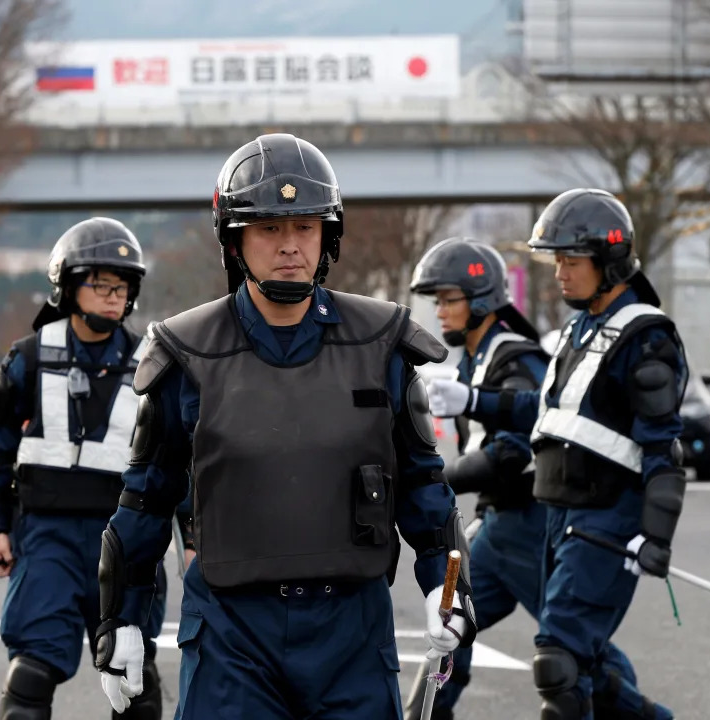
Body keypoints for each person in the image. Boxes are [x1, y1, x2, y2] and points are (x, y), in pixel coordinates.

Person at [94, 133, 477, 719]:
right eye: (269, 228)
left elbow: (423, 486)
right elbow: (145, 503)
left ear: (328, 235)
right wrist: (121, 620)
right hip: (230, 635)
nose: (290, 245)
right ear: (235, 239)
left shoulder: (381, 345)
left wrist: (444, 589)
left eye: (304, 226)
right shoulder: (187, 354)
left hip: (352, 629)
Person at [427, 189, 684, 720]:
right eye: (557, 261)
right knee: (572, 662)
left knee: (560, 663)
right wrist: (472, 399)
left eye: (572, 261)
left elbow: (663, 447)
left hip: (605, 520)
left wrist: (656, 533)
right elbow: (542, 413)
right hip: (557, 518)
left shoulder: (646, 337)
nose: (560, 273)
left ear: (609, 261)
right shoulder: (579, 330)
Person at [0, 217, 164, 720]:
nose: (113, 296)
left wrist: (191, 531)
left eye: (122, 287)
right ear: (68, 285)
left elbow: (176, 456)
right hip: (47, 536)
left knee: (134, 678)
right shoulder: (28, 358)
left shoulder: (153, 362)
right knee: (31, 672)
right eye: (100, 284)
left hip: (126, 536)